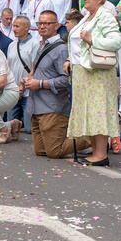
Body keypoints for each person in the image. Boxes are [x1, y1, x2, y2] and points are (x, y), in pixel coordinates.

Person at [66, 0, 121, 165]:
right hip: (83, 71)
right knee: (89, 111)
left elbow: (116, 42)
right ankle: (96, 152)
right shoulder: (88, 16)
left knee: (98, 111)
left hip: (98, 72)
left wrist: (93, 39)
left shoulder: (105, 16)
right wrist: (70, 60)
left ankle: (101, 155)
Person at [21, 10, 92, 157]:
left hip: (52, 107)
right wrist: (28, 80)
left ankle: (95, 140)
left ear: (56, 26)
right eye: (40, 23)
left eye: (47, 23)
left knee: (54, 151)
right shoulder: (41, 46)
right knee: (40, 151)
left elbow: (66, 80)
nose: (42, 26)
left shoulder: (61, 49)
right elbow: (39, 73)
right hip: (36, 106)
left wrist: (39, 84)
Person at [6, 15, 39, 133]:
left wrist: (22, 86)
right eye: (13, 26)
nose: (14, 29)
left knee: (30, 129)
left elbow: (34, 69)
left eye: (17, 26)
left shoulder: (35, 44)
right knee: (11, 127)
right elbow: (8, 69)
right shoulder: (11, 45)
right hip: (13, 90)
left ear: (26, 27)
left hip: (28, 92)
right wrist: (12, 88)